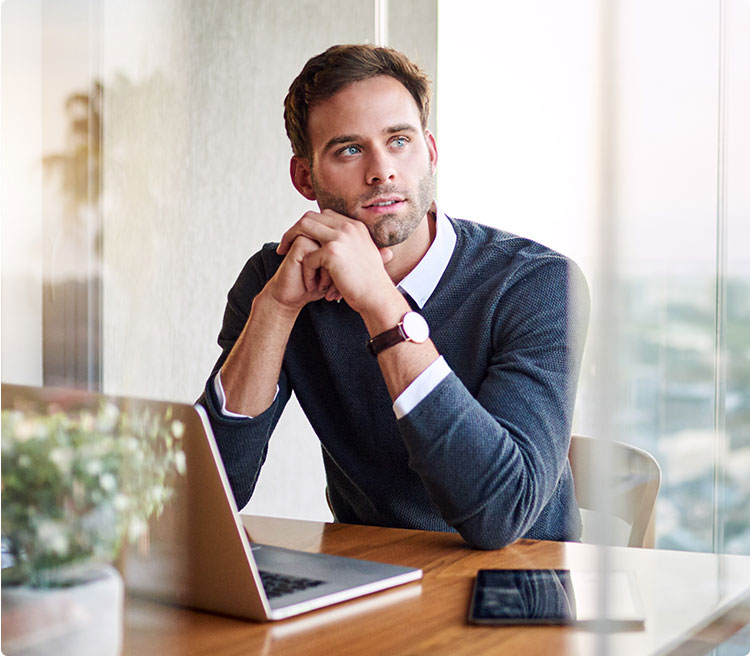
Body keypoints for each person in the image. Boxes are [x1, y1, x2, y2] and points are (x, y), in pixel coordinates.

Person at [199, 44, 588, 550]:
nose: (382, 170)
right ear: (304, 177)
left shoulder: (537, 285)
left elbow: (501, 514)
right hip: (370, 577)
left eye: (399, 141)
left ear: (430, 150)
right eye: (350, 150)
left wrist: (382, 303)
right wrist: (275, 310)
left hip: (517, 588)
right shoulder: (278, 281)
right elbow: (210, 495)